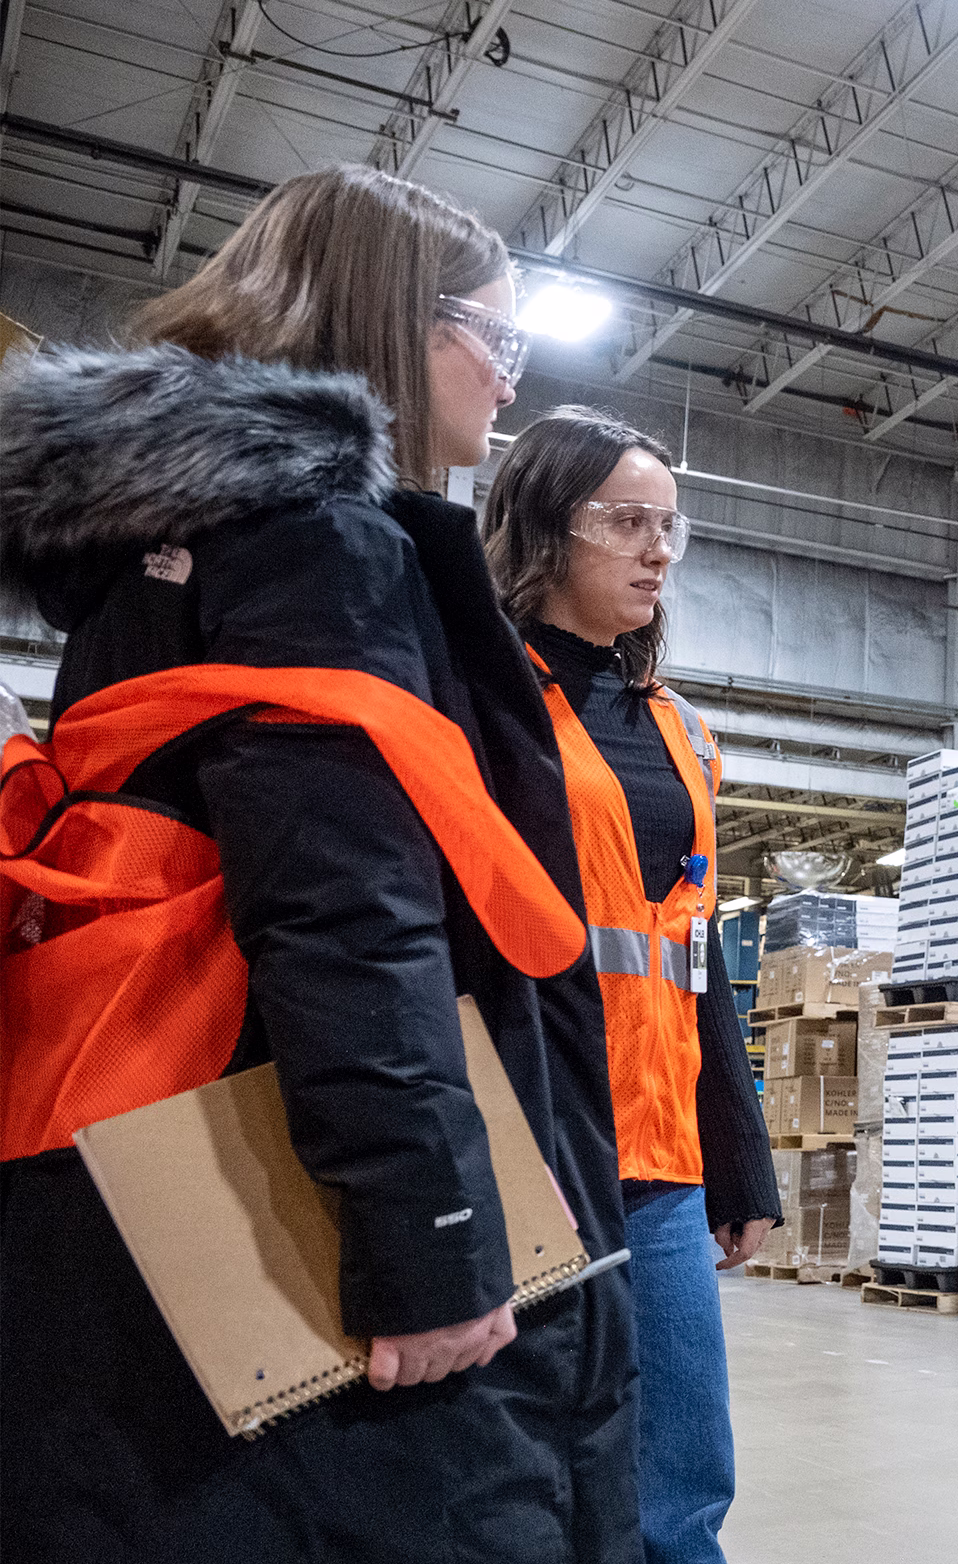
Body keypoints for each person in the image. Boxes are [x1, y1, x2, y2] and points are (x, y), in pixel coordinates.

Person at [0, 165, 639, 1558]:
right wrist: (433, 1228)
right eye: (495, 336)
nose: (508, 380)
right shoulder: (317, 542)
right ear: (396, 322)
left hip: (129, 1147)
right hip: (305, 1185)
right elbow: (343, 899)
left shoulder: (153, 551)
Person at [482, 406, 778, 1564]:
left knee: (682, 1483)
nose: (658, 549)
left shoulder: (679, 728)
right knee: (526, 1474)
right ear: (548, 528)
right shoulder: (487, 704)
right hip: (527, 1145)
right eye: (626, 522)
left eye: (670, 527)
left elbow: (692, 952)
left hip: (657, 1163)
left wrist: (738, 1146)